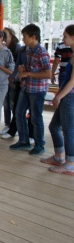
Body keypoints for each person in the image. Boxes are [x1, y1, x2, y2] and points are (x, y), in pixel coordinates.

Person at [10, 24, 51, 155]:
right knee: (18, 113)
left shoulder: (42, 52)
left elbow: (48, 74)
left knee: (36, 118)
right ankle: (24, 141)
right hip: (26, 87)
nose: (23, 39)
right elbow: (30, 69)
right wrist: (24, 70)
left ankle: (40, 144)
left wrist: (28, 74)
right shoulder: (27, 50)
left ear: (34, 37)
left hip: (38, 90)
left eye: (25, 36)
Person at [42, 24, 74, 175]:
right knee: (54, 126)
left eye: (65, 36)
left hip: (69, 97)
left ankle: (70, 163)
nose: (63, 39)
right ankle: (59, 157)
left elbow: (73, 81)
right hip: (65, 95)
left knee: (68, 131)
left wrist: (59, 96)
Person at [0, 27, 21, 135]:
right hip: (4, 80)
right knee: (6, 103)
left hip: (13, 80)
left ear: (11, 35)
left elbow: (18, 65)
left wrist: (13, 77)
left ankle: (15, 126)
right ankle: (7, 125)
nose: (3, 36)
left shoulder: (17, 47)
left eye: (5, 34)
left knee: (13, 104)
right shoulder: (3, 47)